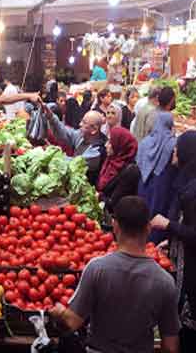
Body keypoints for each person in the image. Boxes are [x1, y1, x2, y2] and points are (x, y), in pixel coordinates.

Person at [49, 196, 180, 353]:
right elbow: (171, 347)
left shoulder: (97, 269)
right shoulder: (164, 281)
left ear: (115, 226)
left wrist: (58, 312)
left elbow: (72, 323)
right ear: (148, 228)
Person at [149, 131, 196, 352]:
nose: (174, 151)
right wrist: (173, 241)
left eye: (178, 147)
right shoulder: (186, 182)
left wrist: (169, 226)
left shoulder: (193, 191)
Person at [137, 111, 177, 242]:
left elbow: (138, 161)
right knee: (158, 217)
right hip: (163, 185)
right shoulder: (172, 143)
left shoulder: (145, 141)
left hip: (144, 183)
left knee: (143, 214)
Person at [44, 108, 107, 185]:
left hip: (85, 186)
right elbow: (65, 133)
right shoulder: (81, 135)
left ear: (94, 130)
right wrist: (51, 117)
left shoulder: (97, 151)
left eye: (84, 122)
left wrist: (52, 154)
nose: (80, 124)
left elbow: (74, 162)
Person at [97, 127, 140, 214]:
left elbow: (116, 203)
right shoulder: (110, 161)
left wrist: (99, 197)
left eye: (110, 142)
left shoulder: (130, 171)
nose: (106, 145)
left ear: (120, 144)